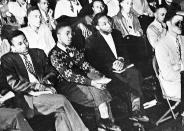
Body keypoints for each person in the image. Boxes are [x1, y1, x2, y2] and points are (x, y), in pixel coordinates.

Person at [1, 29, 89, 131]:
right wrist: (36, 86)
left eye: (25, 41)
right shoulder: (7, 59)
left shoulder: (38, 53)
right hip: (28, 98)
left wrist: (48, 84)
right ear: (13, 48)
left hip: (45, 92)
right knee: (62, 100)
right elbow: (14, 84)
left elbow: (52, 72)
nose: (25, 45)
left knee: (61, 113)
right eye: (20, 44)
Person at [49, 22, 121, 131]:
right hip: (67, 85)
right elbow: (69, 76)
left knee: (99, 84)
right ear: (58, 36)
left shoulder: (72, 49)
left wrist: (99, 76)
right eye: (67, 34)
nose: (70, 36)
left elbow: (85, 65)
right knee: (98, 89)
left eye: (71, 33)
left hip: (83, 80)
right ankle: (105, 121)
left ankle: (104, 123)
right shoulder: (54, 54)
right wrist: (93, 82)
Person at [85, 13, 149, 122]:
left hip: (123, 67)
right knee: (124, 83)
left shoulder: (116, 33)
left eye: (109, 22)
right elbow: (94, 63)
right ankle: (134, 112)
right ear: (97, 27)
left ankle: (136, 110)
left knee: (134, 73)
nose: (109, 25)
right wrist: (111, 65)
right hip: (108, 72)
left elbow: (124, 51)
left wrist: (120, 59)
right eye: (104, 24)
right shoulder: (91, 41)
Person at [155, 9, 184, 102]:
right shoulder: (161, 45)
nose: (181, 25)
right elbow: (168, 75)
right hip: (173, 84)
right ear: (168, 23)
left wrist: (179, 67)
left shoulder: (182, 39)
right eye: (177, 21)